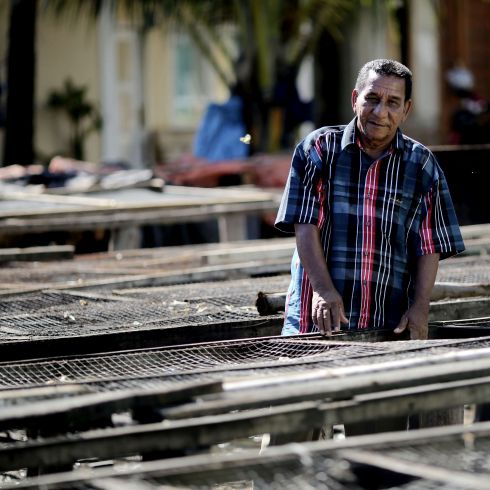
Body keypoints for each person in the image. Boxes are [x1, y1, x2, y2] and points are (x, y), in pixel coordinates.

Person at [275, 59, 465, 341]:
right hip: (315, 321)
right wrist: (323, 290)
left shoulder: (421, 164)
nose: (380, 112)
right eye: (372, 99)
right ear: (355, 99)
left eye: (393, 102)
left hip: (384, 324)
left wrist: (420, 307)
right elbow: (304, 225)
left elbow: (429, 244)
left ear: (406, 110)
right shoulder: (319, 148)